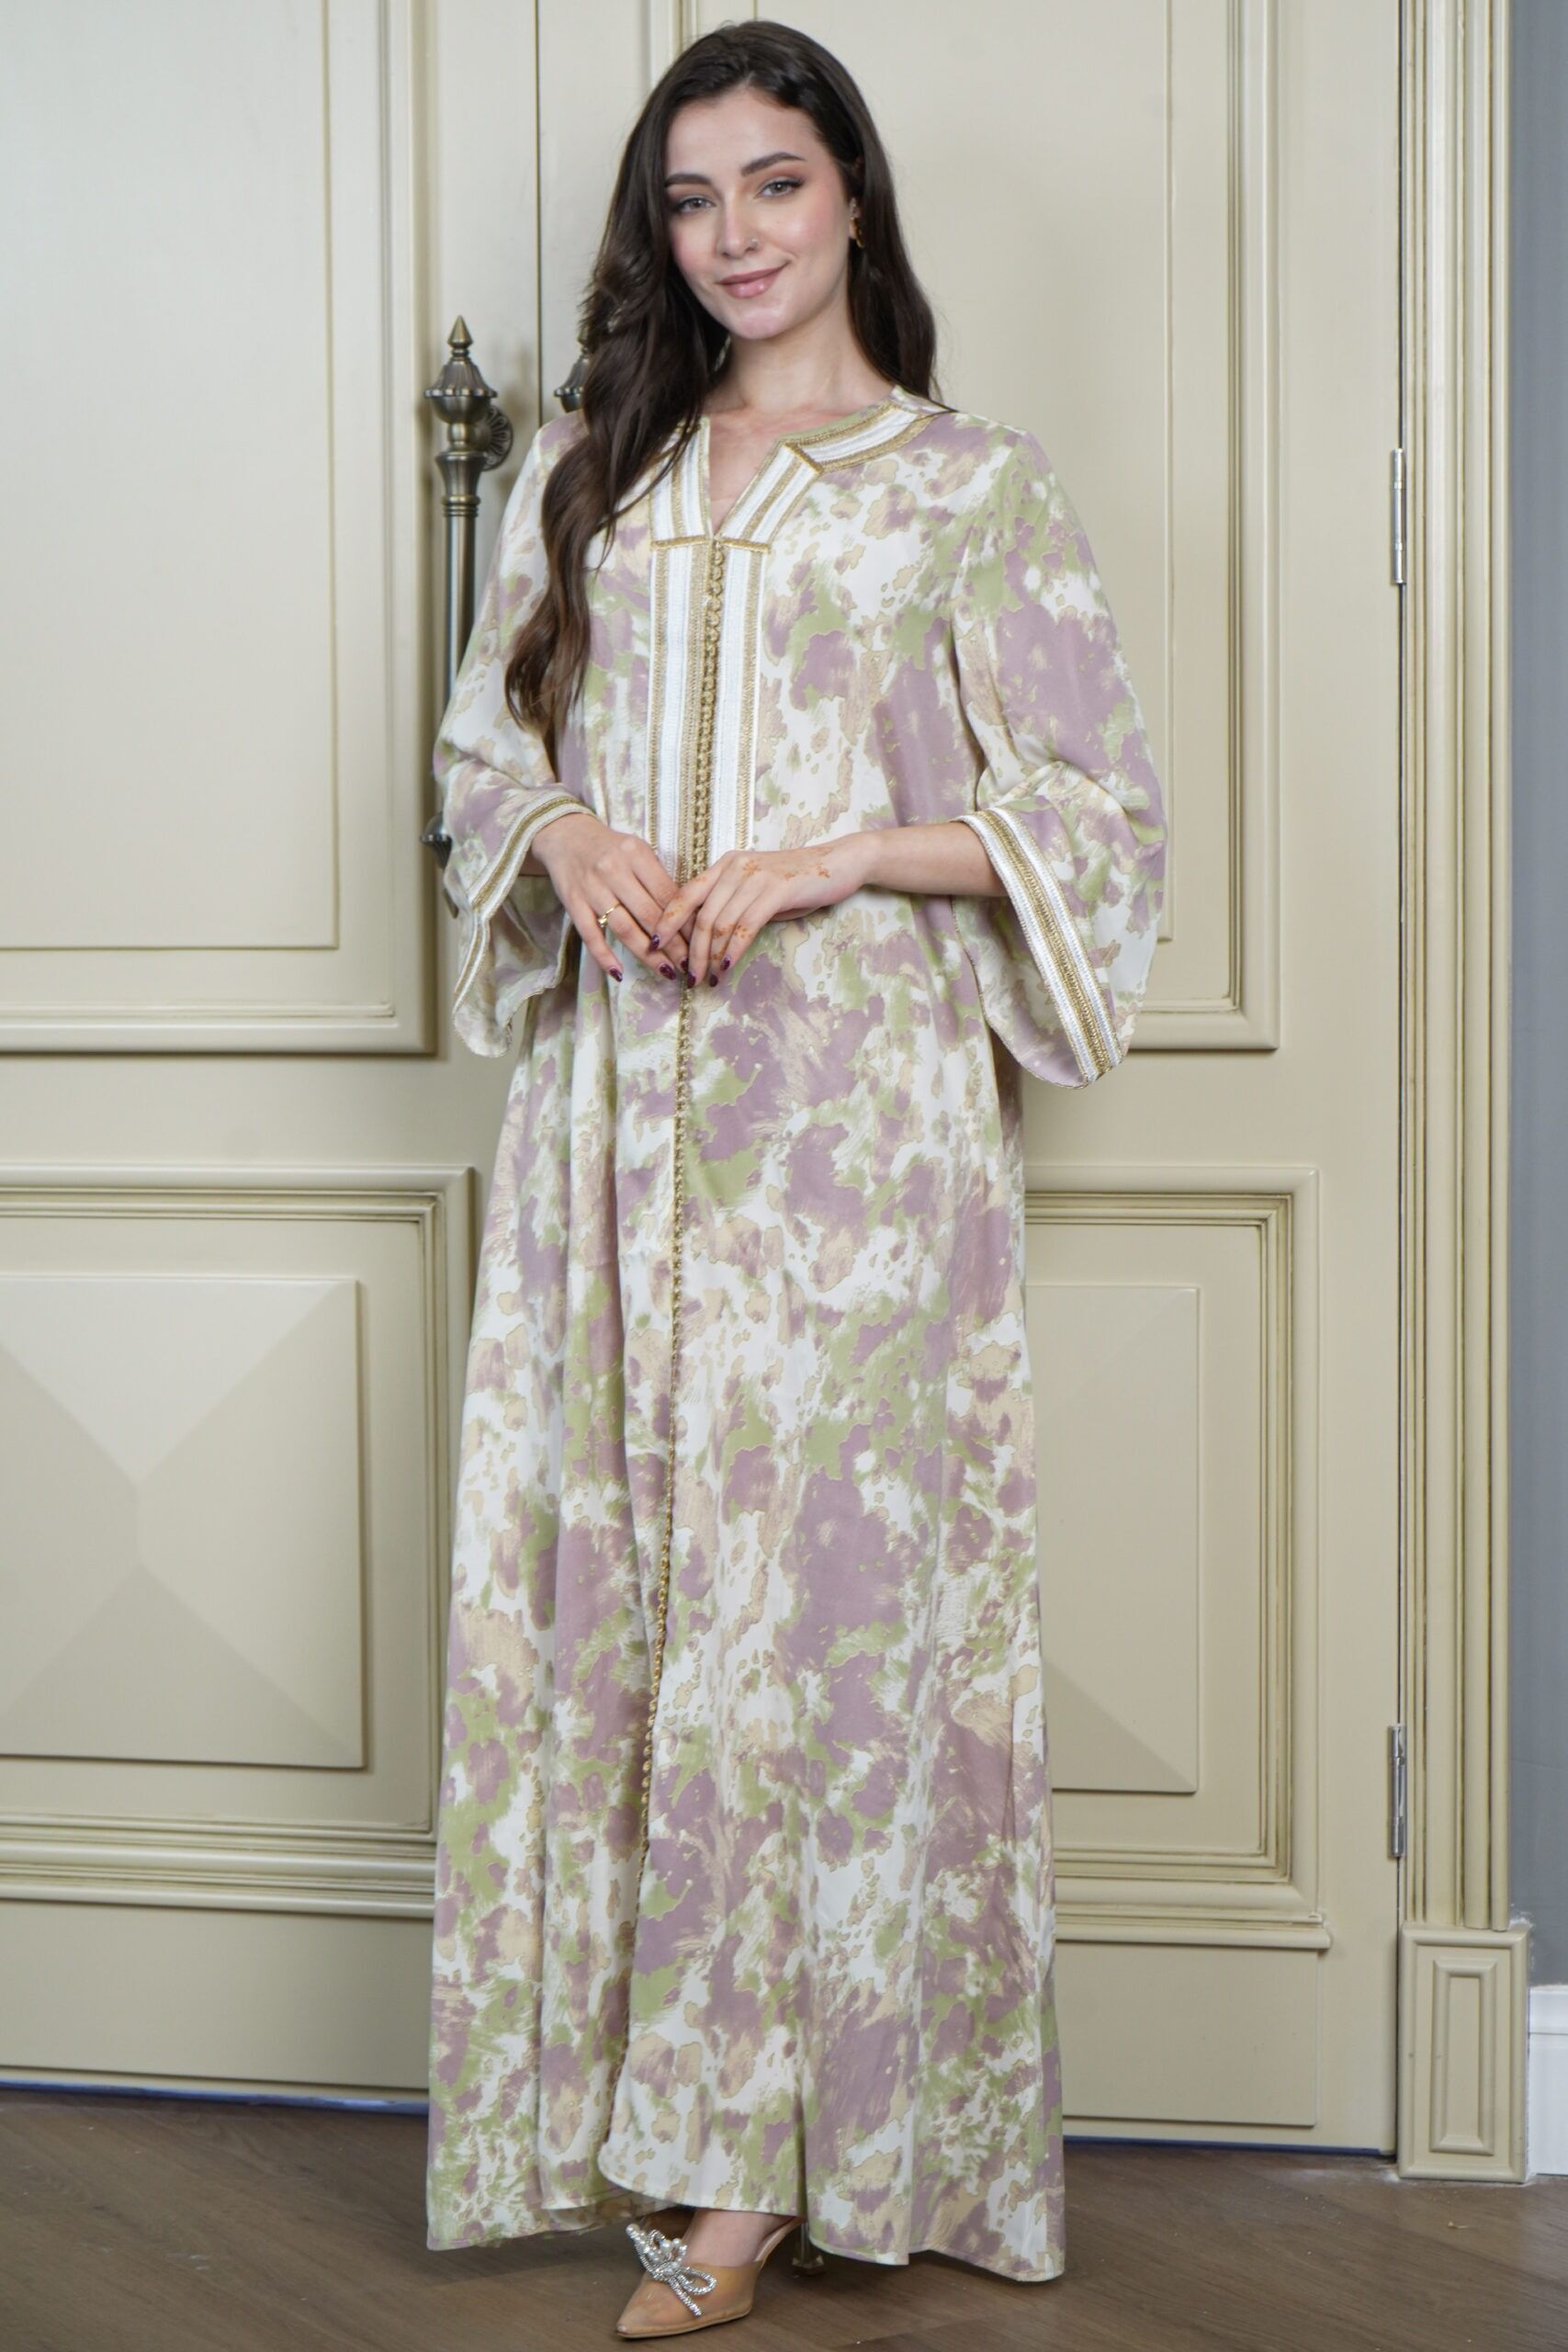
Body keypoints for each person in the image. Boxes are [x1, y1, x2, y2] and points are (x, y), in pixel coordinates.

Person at [423, 18, 1166, 2340]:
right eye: (689, 198)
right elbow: (474, 758)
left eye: (772, 183)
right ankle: (658, 2128)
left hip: (856, 1157)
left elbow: (1094, 820)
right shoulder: (595, 471)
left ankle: (768, 2169)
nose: (731, 235)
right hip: (610, 1139)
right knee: (636, 1606)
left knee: (812, 1633)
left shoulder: (967, 488)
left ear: (851, 192)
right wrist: (569, 832)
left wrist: (840, 851)